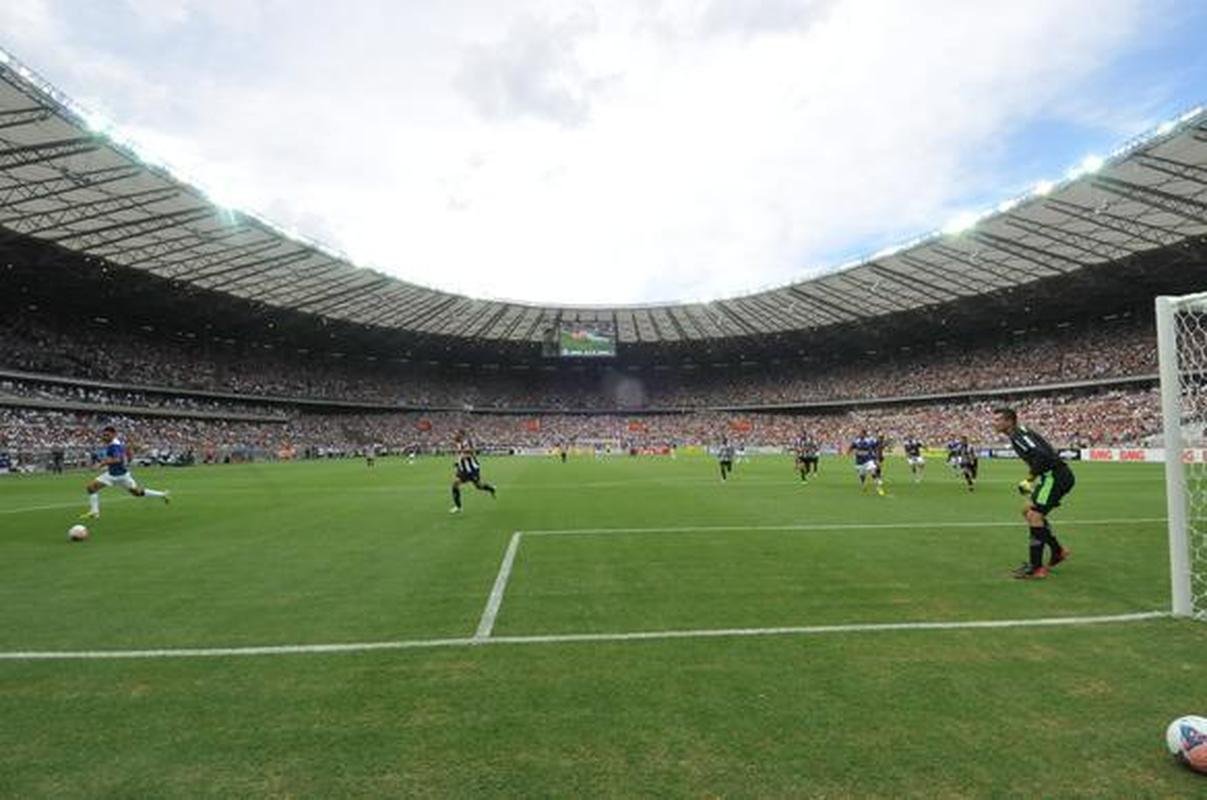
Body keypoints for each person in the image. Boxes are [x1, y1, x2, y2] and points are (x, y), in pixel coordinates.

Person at [992, 407, 1074, 580]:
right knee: (1027, 511)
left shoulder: (1018, 436)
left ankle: (1037, 568)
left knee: (1034, 515)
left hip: (1054, 477)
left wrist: (1029, 479)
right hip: (1054, 476)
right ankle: (1058, 551)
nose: (994, 423)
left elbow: (1042, 456)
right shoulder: (1022, 432)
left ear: (1009, 421)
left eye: (998, 420)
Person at [81, 425, 170, 519]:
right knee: (91, 488)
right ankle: (95, 512)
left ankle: (162, 494)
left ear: (113, 435)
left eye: (107, 435)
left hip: (121, 476)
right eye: (104, 435)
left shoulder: (114, 445)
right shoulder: (114, 444)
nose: (104, 437)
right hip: (112, 474)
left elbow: (117, 459)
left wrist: (101, 464)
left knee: (137, 493)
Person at [450, 435, 497, 514]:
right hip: (463, 470)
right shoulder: (458, 445)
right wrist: (457, 463)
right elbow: (460, 456)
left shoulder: (466, 443)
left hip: (472, 470)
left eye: (455, 440)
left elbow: (471, 452)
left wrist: (465, 453)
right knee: (455, 484)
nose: (454, 442)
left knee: (478, 486)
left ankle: (491, 488)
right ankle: (458, 507)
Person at [848, 430, 885, 496]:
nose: (860, 434)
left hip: (868, 460)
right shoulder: (856, 441)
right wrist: (849, 452)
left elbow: (878, 443)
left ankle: (878, 488)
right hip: (859, 462)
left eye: (861, 433)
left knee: (873, 471)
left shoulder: (869, 441)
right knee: (862, 475)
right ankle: (863, 484)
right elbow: (851, 447)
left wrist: (881, 437)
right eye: (859, 433)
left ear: (864, 434)